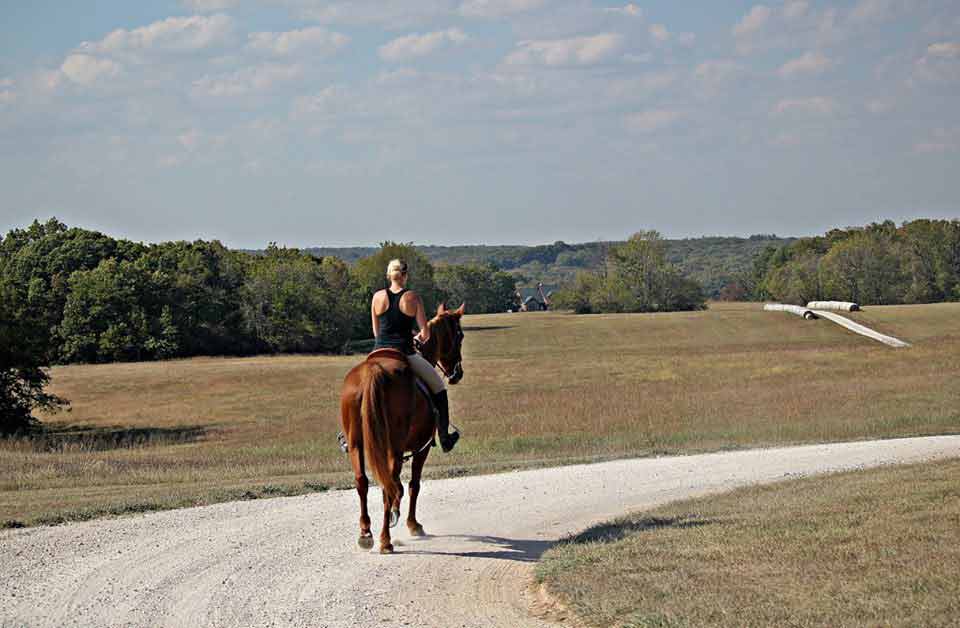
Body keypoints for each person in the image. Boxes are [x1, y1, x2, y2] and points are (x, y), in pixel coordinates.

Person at [372, 259, 459, 452]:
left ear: (388, 275)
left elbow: (377, 333)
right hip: (405, 353)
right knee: (439, 388)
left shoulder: (377, 297)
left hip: (378, 353)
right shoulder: (412, 297)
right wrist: (416, 337)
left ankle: (346, 435)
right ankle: (444, 438)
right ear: (405, 275)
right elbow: (425, 333)